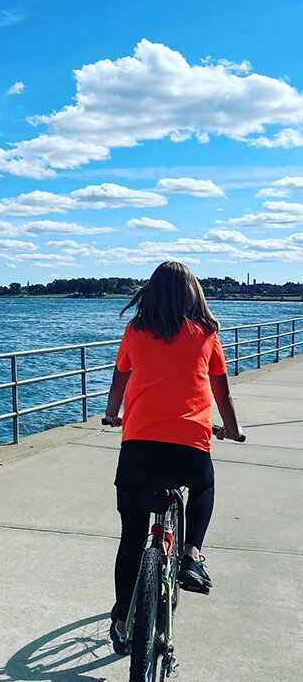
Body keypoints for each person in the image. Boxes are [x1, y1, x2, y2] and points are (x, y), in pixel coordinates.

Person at [103, 261, 242, 656]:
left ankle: (122, 622)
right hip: (188, 447)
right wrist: (231, 430)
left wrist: (114, 414)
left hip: (139, 449)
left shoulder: (134, 331)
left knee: (132, 536)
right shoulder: (206, 334)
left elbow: (120, 379)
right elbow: (222, 394)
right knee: (203, 485)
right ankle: (192, 555)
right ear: (193, 293)